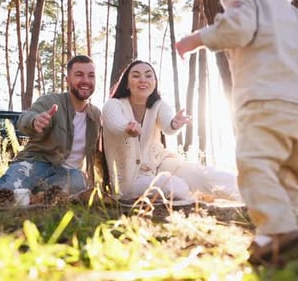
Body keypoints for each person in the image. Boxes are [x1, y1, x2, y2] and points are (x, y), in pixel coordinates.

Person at [175, 0, 298, 265]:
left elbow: (236, 28)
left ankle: (277, 228)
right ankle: (272, 238)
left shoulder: (251, 8)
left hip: (264, 102)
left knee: (255, 166)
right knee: (286, 174)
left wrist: (196, 39)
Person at [0, 55, 102, 201]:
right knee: (7, 190)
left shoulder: (95, 115)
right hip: (36, 164)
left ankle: (33, 197)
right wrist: (35, 121)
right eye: (79, 75)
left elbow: (98, 154)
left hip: (65, 175)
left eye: (91, 76)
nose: (86, 81)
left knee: (79, 181)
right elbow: (24, 119)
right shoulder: (51, 101)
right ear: (68, 79)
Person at [102, 60, 241, 202]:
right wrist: (127, 128)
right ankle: (193, 201)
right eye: (136, 75)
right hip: (130, 180)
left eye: (149, 76)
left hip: (161, 164)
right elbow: (115, 124)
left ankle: (255, 193)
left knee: (203, 175)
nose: (143, 79)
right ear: (126, 83)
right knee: (175, 186)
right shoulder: (113, 105)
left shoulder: (158, 105)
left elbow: (167, 125)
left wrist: (174, 124)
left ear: (155, 83)